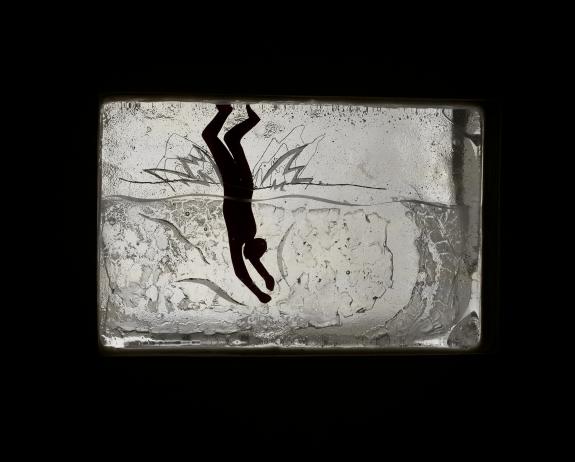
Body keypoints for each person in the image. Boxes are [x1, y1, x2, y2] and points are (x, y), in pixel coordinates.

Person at [202, 104, 274, 303]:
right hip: (235, 183)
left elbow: (247, 264)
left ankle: (250, 119)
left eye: (261, 245)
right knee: (211, 136)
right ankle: (226, 112)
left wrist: (265, 280)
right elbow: (241, 269)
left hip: (244, 184)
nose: (262, 242)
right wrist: (259, 289)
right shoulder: (238, 237)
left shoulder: (247, 233)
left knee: (231, 139)